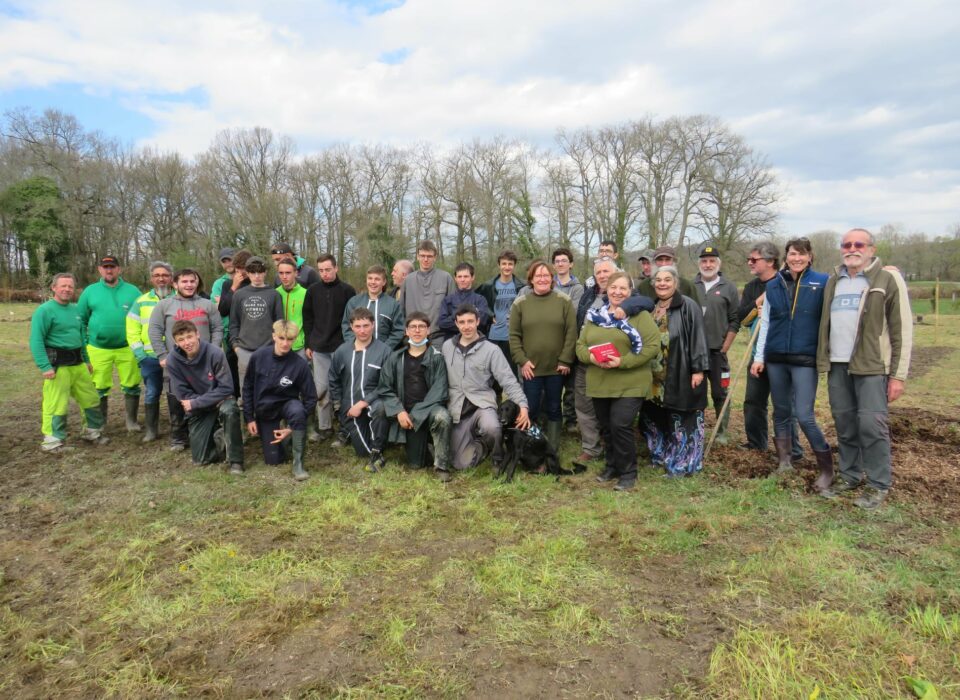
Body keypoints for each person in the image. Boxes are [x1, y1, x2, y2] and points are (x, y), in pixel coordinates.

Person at [817, 228, 913, 508]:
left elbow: (901, 330)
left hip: (871, 367)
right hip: (838, 364)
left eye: (859, 244)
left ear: (871, 248)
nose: (852, 248)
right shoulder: (835, 280)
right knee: (845, 424)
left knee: (871, 425)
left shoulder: (887, 278)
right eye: (846, 244)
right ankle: (850, 475)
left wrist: (898, 375)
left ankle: (878, 484)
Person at [751, 237, 832, 480]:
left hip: (804, 358)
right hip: (776, 357)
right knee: (781, 411)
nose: (796, 258)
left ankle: (826, 469)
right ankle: (784, 462)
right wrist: (759, 356)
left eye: (801, 254)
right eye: (792, 254)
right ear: (785, 257)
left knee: (805, 415)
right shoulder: (774, 285)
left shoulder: (822, 282)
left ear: (810, 257)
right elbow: (765, 322)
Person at [576, 272, 660, 490]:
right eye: (614, 287)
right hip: (600, 381)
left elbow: (652, 347)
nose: (617, 292)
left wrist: (622, 361)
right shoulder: (595, 316)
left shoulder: (639, 316)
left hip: (630, 381)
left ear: (630, 291)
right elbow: (580, 346)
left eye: (623, 288)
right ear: (606, 289)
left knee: (620, 424)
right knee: (606, 427)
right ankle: (612, 466)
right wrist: (591, 357)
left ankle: (628, 473)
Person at [442, 303, 530, 473]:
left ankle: (498, 457)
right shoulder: (447, 347)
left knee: (493, 427)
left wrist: (523, 406)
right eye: (462, 322)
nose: (466, 326)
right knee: (461, 464)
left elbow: (509, 381)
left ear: (478, 321)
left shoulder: (492, 350)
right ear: (456, 324)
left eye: (470, 321)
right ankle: (482, 443)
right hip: (457, 408)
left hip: (482, 404)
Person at [640, 266, 710, 477]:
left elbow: (698, 336)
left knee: (683, 419)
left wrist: (698, 369)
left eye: (667, 280)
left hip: (679, 371)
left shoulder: (687, 306)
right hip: (653, 377)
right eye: (658, 280)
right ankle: (660, 455)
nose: (662, 283)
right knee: (656, 417)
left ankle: (684, 464)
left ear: (676, 283)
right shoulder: (651, 307)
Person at [737, 242, 803, 458]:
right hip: (757, 352)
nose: (750, 263)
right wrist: (758, 302)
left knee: (784, 407)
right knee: (753, 401)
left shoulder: (787, 282)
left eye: (754, 259)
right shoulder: (751, 287)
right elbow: (743, 319)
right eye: (749, 259)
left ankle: (791, 450)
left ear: (770, 261)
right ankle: (757, 443)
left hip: (780, 355)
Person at [30, 273, 107, 451]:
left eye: (70, 287)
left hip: (78, 364)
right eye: (63, 286)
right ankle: (52, 442)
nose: (67, 289)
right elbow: (36, 340)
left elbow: (81, 337)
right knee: (56, 403)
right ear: (54, 288)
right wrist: (44, 366)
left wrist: (86, 360)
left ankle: (91, 432)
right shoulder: (44, 311)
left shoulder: (75, 310)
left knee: (91, 398)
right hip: (58, 366)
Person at [149, 268, 223, 451]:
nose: (189, 285)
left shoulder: (208, 305)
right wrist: (162, 355)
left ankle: (205, 430)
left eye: (192, 281)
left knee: (205, 395)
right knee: (176, 396)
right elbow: (155, 331)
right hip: (176, 362)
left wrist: (213, 352)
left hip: (203, 361)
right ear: (175, 284)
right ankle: (179, 436)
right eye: (184, 281)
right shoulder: (164, 306)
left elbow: (218, 330)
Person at [509, 260, 577, 453]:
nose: (542, 279)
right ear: (531, 279)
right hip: (531, 368)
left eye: (546, 275)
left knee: (554, 407)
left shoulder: (563, 301)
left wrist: (565, 359)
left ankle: (552, 449)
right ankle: (533, 446)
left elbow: (571, 332)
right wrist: (522, 360)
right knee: (531, 409)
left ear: (552, 278)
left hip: (556, 368)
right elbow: (513, 335)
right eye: (538, 276)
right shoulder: (521, 303)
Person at [376, 312, 453, 479]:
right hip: (403, 411)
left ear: (428, 330)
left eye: (421, 327)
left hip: (426, 412)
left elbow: (439, 391)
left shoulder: (437, 358)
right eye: (413, 327)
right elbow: (384, 387)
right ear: (406, 331)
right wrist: (399, 411)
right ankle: (377, 453)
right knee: (415, 465)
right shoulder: (395, 357)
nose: (417, 330)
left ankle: (441, 466)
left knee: (442, 417)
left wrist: (416, 415)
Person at [242, 320, 317, 480]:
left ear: (295, 339)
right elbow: (247, 387)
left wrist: (292, 427)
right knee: (273, 460)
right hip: (265, 410)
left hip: (287, 405)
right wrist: (249, 418)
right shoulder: (258, 356)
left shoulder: (300, 364)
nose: (285, 343)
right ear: (274, 336)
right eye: (281, 338)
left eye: (290, 339)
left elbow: (311, 398)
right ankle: (286, 441)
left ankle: (298, 465)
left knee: (297, 410)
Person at [165, 320, 244, 472]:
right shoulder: (173, 361)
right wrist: (202, 402)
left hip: (220, 402)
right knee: (200, 459)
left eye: (190, 337)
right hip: (200, 409)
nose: (187, 342)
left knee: (230, 409)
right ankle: (221, 438)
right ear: (175, 342)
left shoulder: (215, 353)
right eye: (181, 340)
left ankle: (236, 461)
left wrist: (196, 402)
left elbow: (226, 388)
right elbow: (183, 394)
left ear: (198, 335)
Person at [76, 254, 142, 431]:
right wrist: (85, 342)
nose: (109, 270)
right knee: (99, 387)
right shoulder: (89, 291)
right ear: (100, 270)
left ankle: (131, 422)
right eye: (105, 267)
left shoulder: (133, 291)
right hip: (98, 348)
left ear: (119, 269)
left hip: (127, 347)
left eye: (112, 267)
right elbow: (80, 319)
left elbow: (142, 317)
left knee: (132, 385)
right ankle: (101, 423)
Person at [329, 307, 393, 472]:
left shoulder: (384, 351)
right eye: (358, 326)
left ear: (373, 324)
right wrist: (338, 406)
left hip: (373, 401)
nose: (362, 330)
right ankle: (355, 436)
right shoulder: (342, 351)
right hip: (349, 407)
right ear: (351, 326)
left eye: (366, 325)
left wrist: (363, 403)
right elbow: (333, 379)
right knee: (362, 452)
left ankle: (378, 450)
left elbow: (386, 384)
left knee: (379, 408)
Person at [301, 253, 356, 441]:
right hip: (319, 347)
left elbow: (353, 320)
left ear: (336, 268)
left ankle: (347, 425)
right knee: (322, 388)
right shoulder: (312, 291)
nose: (324, 273)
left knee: (345, 388)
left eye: (328, 269)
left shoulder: (348, 291)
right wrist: (309, 343)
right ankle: (325, 426)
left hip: (342, 347)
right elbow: (307, 319)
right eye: (321, 270)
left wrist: (351, 343)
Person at [693, 244, 740, 444]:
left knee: (720, 392)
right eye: (704, 261)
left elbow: (735, 320)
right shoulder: (690, 286)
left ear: (718, 264)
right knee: (696, 394)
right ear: (699, 264)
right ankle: (696, 430)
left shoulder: (728, 287)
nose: (708, 264)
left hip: (717, 351)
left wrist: (725, 347)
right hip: (694, 352)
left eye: (712, 261)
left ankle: (721, 432)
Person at [126, 261, 174, 442]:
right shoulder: (141, 301)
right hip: (150, 358)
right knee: (152, 392)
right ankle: (151, 430)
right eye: (157, 275)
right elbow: (132, 330)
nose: (161, 279)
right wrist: (141, 356)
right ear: (151, 279)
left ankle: (177, 427)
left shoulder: (179, 298)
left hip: (175, 357)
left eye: (165, 275)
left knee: (176, 392)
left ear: (171, 278)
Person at [230, 256, 284, 393]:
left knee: (269, 390)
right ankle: (247, 415)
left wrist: (276, 347)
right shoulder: (239, 295)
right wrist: (236, 347)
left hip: (268, 350)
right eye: (253, 272)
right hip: (244, 350)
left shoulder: (274, 294)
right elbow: (234, 323)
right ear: (247, 273)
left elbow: (279, 323)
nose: (257, 276)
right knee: (246, 391)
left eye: (260, 272)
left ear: (265, 272)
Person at [549, 247, 584, 432]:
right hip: (550, 342)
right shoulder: (548, 284)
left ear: (571, 264)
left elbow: (574, 312)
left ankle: (570, 420)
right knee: (553, 384)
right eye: (557, 261)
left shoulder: (578, 288)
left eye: (564, 260)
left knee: (571, 386)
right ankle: (552, 418)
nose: (560, 264)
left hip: (570, 340)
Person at [476, 249, 524, 374]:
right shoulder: (488, 286)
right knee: (493, 372)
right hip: (494, 335)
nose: (507, 267)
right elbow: (477, 303)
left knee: (514, 373)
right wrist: (489, 315)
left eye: (510, 264)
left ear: (514, 265)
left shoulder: (522, 286)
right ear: (499, 265)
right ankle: (496, 394)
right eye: (504, 263)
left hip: (514, 336)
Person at [401, 241, 456, 348]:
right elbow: (401, 310)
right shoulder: (408, 280)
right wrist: (405, 332)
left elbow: (453, 309)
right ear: (417, 256)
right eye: (422, 256)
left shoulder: (446, 278)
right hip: (413, 338)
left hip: (438, 338)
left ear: (435, 257)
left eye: (429, 256)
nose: (425, 259)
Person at [342, 264, 405, 348]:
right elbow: (346, 326)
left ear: (384, 282)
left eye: (377, 279)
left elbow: (398, 331)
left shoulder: (393, 304)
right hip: (358, 352)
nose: (373, 282)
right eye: (370, 278)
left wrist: (384, 349)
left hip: (384, 355)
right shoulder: (354, 302)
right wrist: (356, 345)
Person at [216, 249, 250, 398]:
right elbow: (223, 310)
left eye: (244, 269)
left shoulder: (257, 284)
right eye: (238, 269)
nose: (241, 273)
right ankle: (237, 401)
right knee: (233, 371)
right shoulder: (227, 284)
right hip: (233, 337)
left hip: (254, 336)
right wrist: (233, 287)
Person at [437, 262, 491, 340]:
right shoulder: (447, 300)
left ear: (472, 277)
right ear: (455, 278)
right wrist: (470, 319)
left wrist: (453, 317)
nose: (462, 279)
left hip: (476, 342)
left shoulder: (480, 300)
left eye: (466, 276)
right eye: (459, 276)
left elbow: (482, 322)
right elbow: (442, 324)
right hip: (452, 342)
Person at [636, 246, 704, 305]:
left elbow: (696, 316)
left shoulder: (687, 286)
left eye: (667, 260)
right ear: (654, 262)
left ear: (674, 262)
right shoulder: (643, 287)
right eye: (660, 260)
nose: (664, 264)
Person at [275, 257, 308, 358]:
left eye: (288, 273)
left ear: (296, 273)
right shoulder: (274, 293)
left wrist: (309, 344)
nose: (284, 276)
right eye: (281, 273)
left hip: (299, 347)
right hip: (278, 346)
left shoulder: (306, 294)